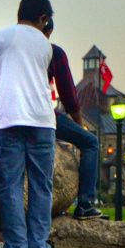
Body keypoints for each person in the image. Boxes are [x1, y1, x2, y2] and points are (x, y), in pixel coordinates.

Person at [0, 0, 56, 248]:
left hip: (9, 119)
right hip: (43, 121)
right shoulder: (46, 46)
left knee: (9, 186)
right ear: (43, 18)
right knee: (41, 186)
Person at [41, 19, 102, 220]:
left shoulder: (6, 44)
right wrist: (79, 125)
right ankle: (85, 203)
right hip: (41, 113)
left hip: (7, 113)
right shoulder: (52, 51)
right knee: (91, 143)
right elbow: (68, 95)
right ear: (47, 28)